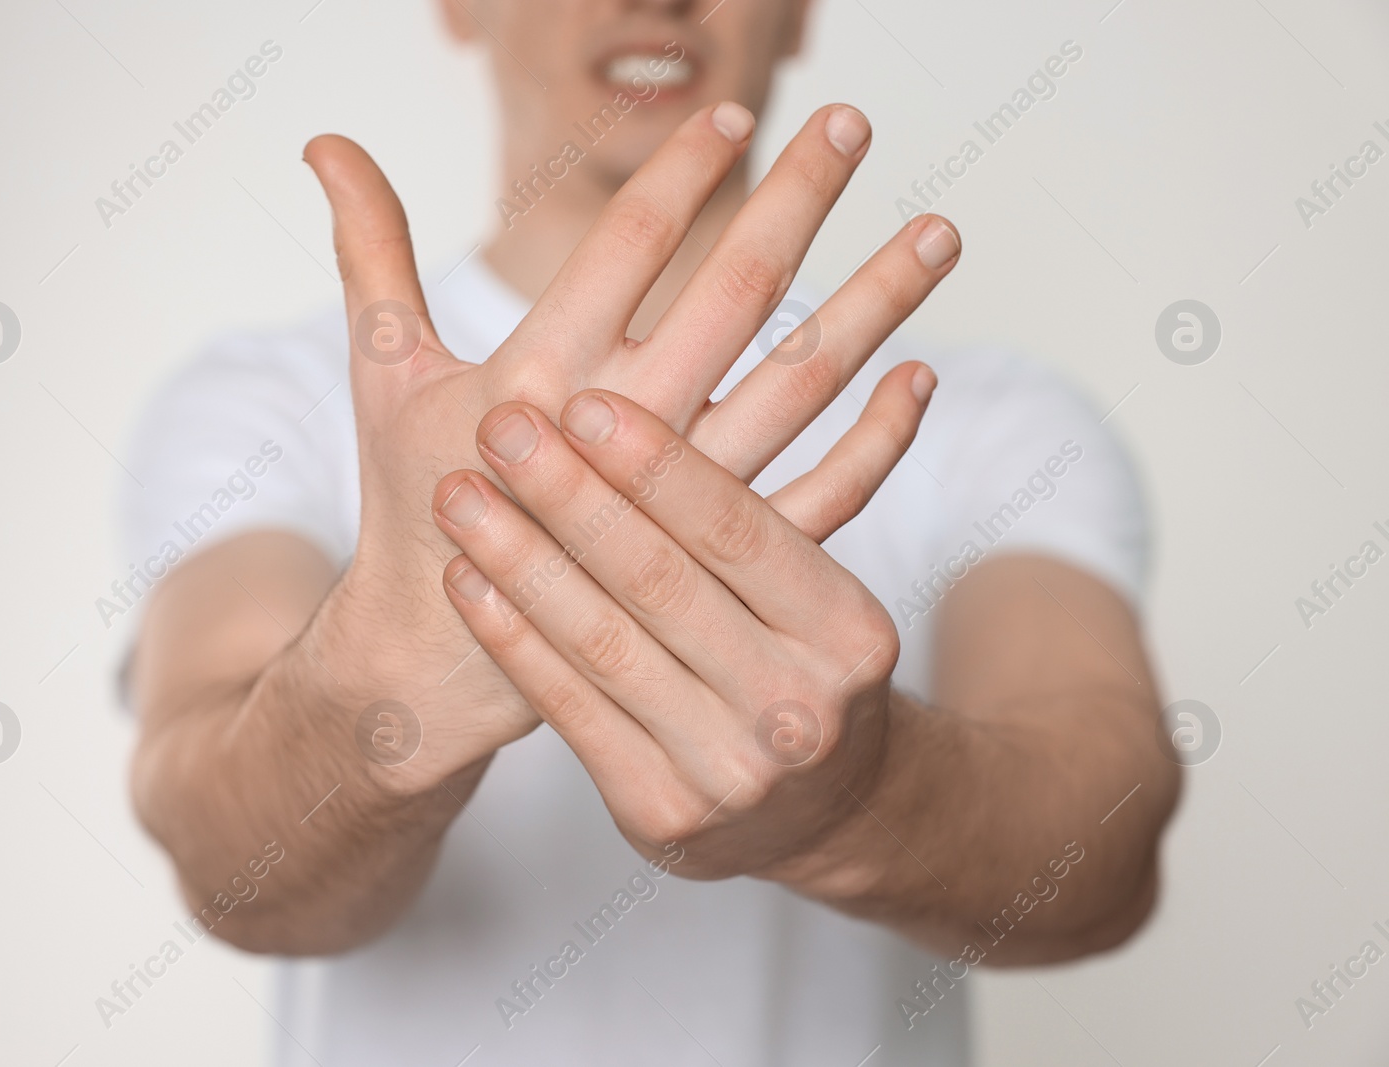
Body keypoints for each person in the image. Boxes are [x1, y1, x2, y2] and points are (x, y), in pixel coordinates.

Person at [119, 1, 1179, 1062]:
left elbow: (1105, 852)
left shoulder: (996, 417)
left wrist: (858, 798)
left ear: (798, 13)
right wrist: (384, 684)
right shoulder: (267, 401)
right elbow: (224, 861)